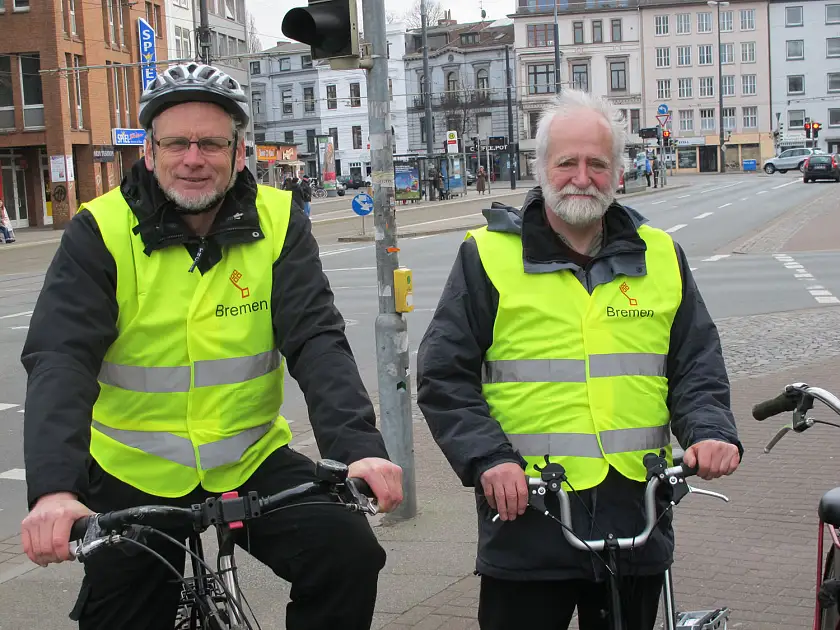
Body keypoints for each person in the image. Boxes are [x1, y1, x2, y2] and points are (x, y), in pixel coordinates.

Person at [19, 62, 402, 630]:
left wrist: (359, 448)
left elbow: (316, 337)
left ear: (239, 152)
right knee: (120, 615)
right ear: (149, 152)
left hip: (249, 460)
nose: (193, 158)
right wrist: (54, 491)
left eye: (211, 143)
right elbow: (61, 358)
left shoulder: (278, 221)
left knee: (348, 555)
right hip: (133, 473)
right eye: (176, 143)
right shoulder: (99, 230)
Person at [415, 89, 742, 630]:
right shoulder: (488, 255)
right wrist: (488, 460)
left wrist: (709, 430)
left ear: (618, 171)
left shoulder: (660, 254)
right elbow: (443, 376)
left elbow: (695, 363)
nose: (582, 177)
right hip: (529, 514)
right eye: (567, 162)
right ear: (542, 168)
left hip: (637, 507)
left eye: (598, 163)